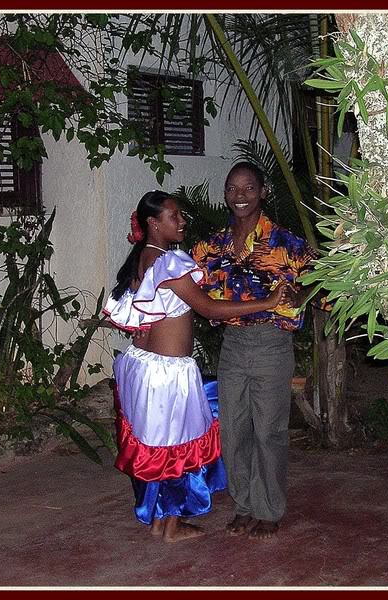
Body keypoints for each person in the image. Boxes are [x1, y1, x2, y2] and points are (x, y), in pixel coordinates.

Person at [103, 190, 288, 543]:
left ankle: (161, 521)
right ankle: (170, 527)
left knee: (157, 447)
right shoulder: (169, 264)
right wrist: (268, 301)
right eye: (174, 216)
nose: (182, 221)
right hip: (167, 374)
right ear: (153, 224)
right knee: (173, 449)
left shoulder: (143, 259)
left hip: (146, 367)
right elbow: (209, 309)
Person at [192, 162, 317, 540]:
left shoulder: (286, 244)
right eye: (232, 188)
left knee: (269, 432)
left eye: (248, 188)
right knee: (232, 432)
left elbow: (324, 282)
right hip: (233, 346)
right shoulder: (212, 246)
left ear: (263, 192)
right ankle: (244, 505)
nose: (240, 195)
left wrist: (302, 293)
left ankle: (268, 509)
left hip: (271, 345)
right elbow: (184, 283)